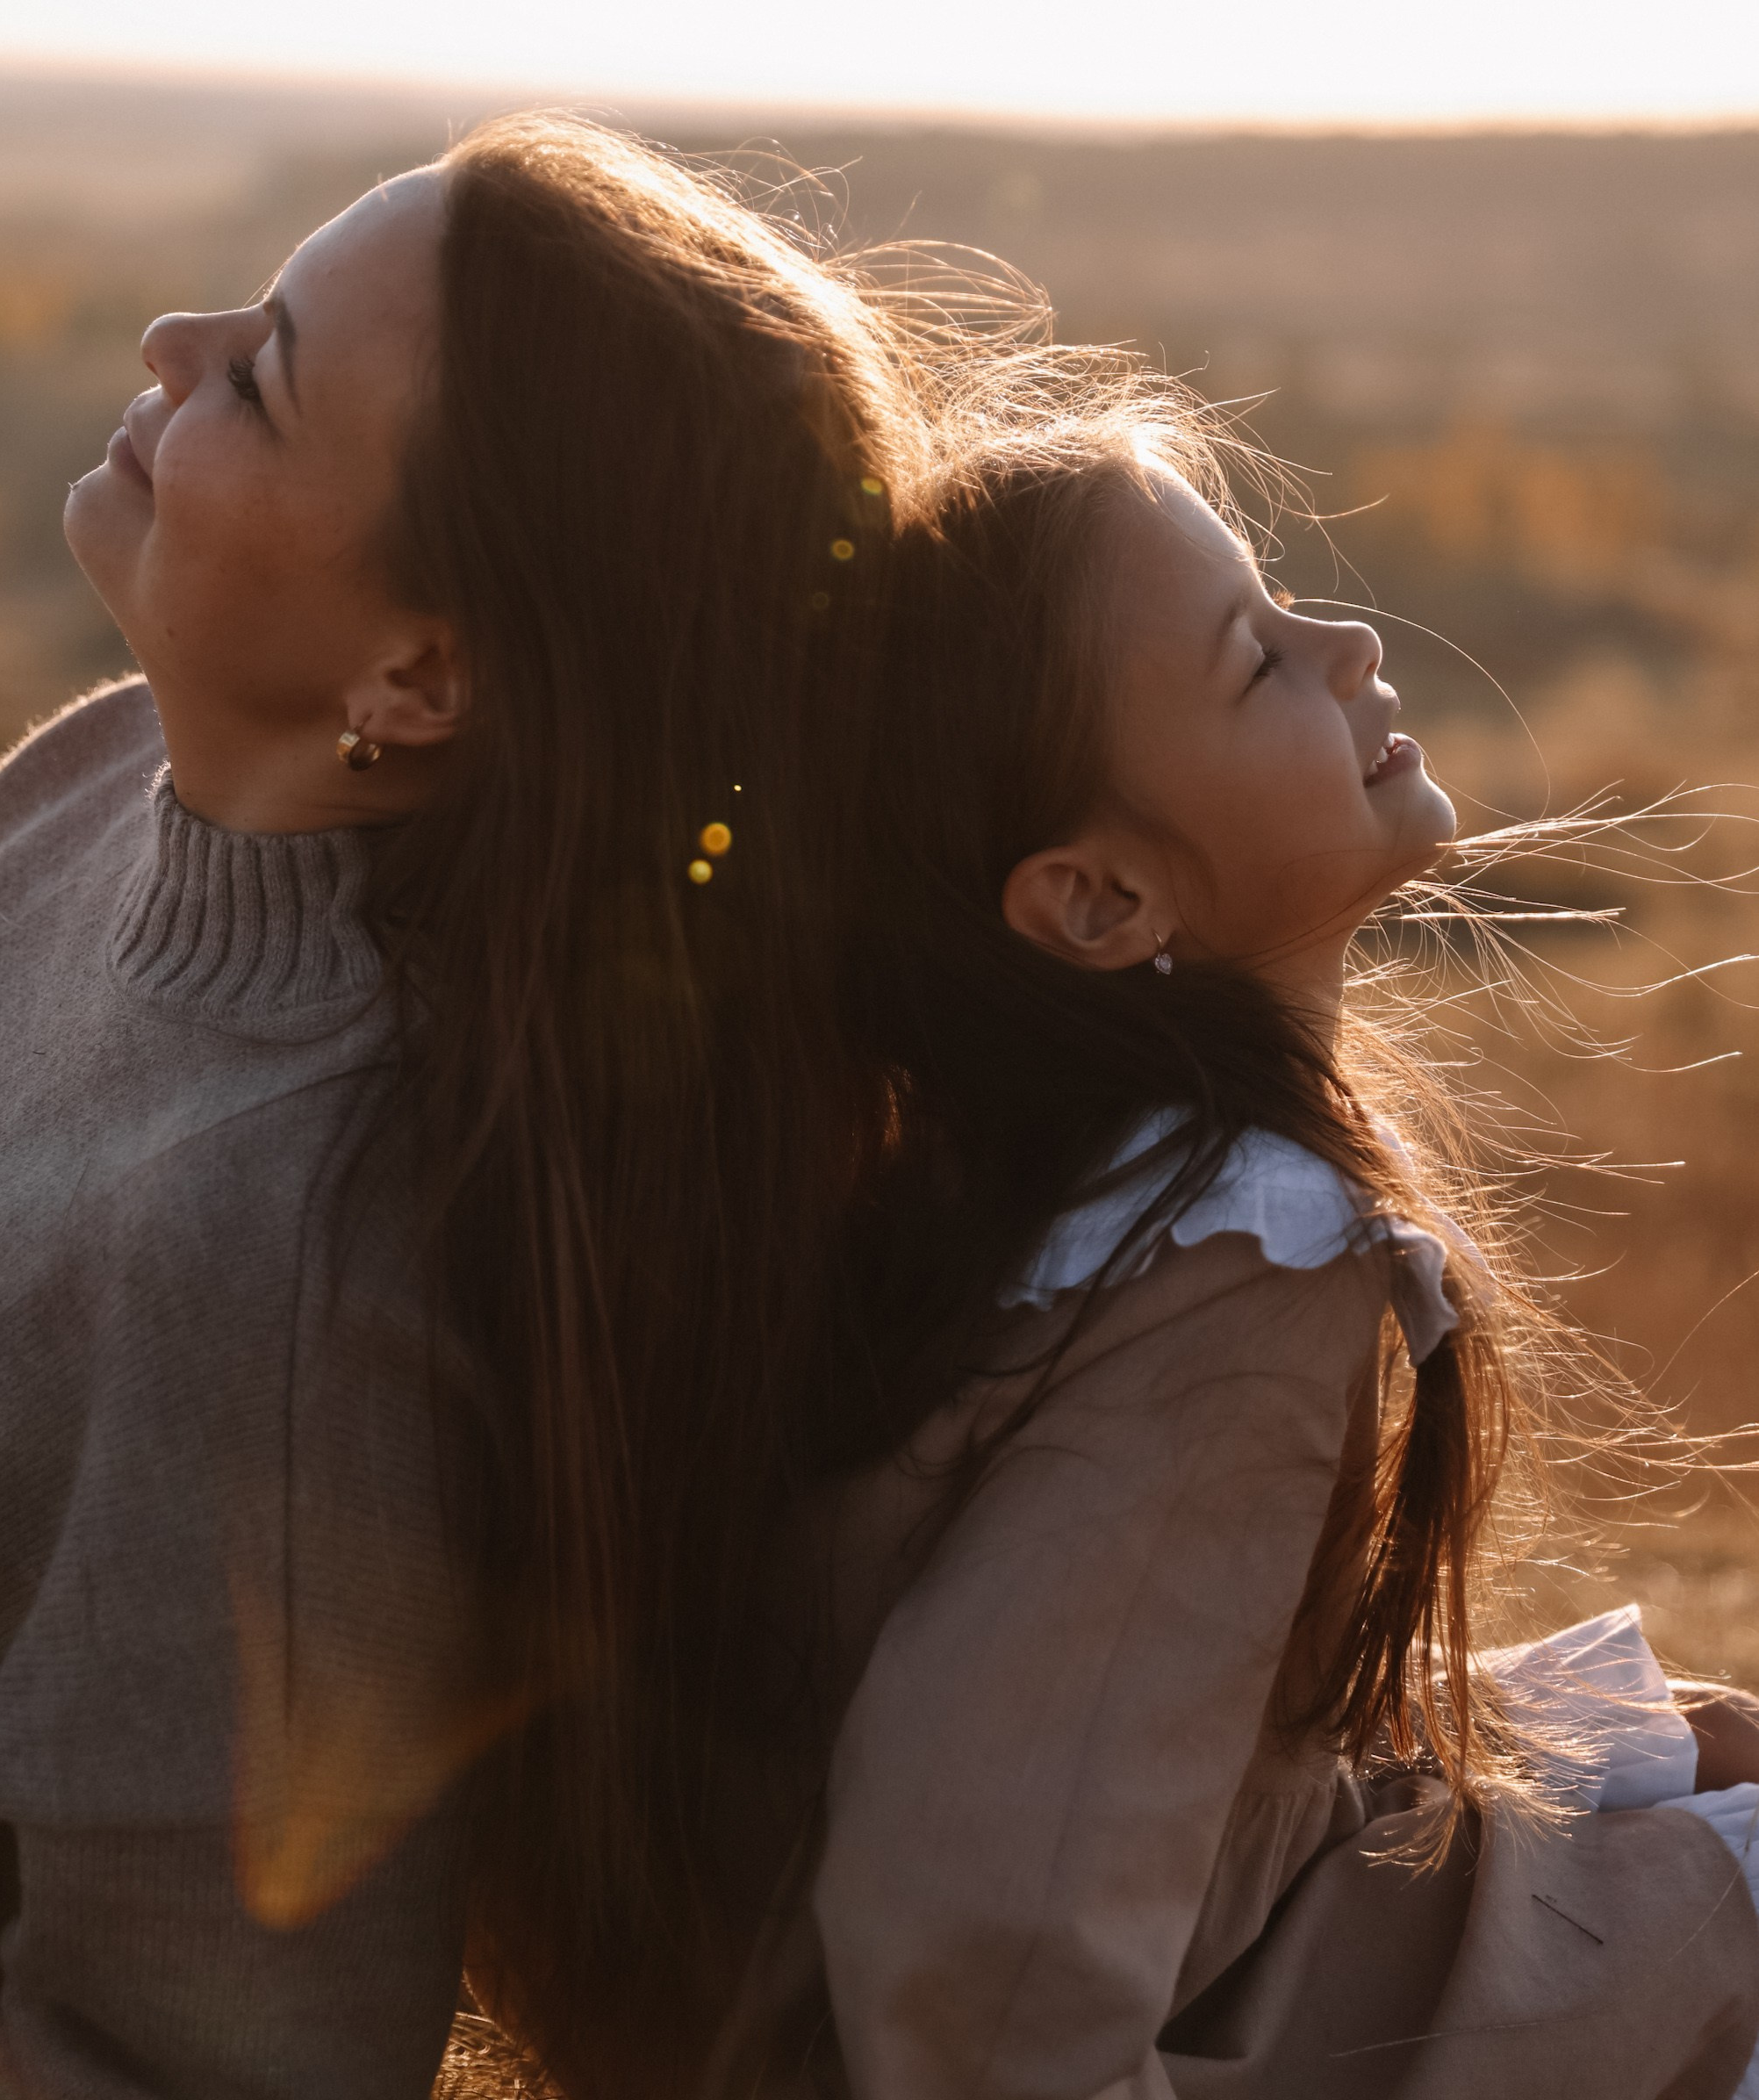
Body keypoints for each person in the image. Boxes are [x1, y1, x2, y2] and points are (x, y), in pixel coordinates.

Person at [0, 117, 923, 2099]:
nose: (171, 342)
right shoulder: (99, 783)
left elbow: (197, 2066)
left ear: (421, 672)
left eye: (258, 374)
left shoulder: (277, 1276)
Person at [699, 367, 1759, 2100]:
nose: (1345, 641)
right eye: (1258, 658)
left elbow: (1132, 1715)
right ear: (1102, 899)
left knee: (1708, 1758)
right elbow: (990, 1963)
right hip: (1234, 2021)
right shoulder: (1228, 1271)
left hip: (1250, 1909)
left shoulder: (1056, 1182)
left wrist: (1608, 1742)